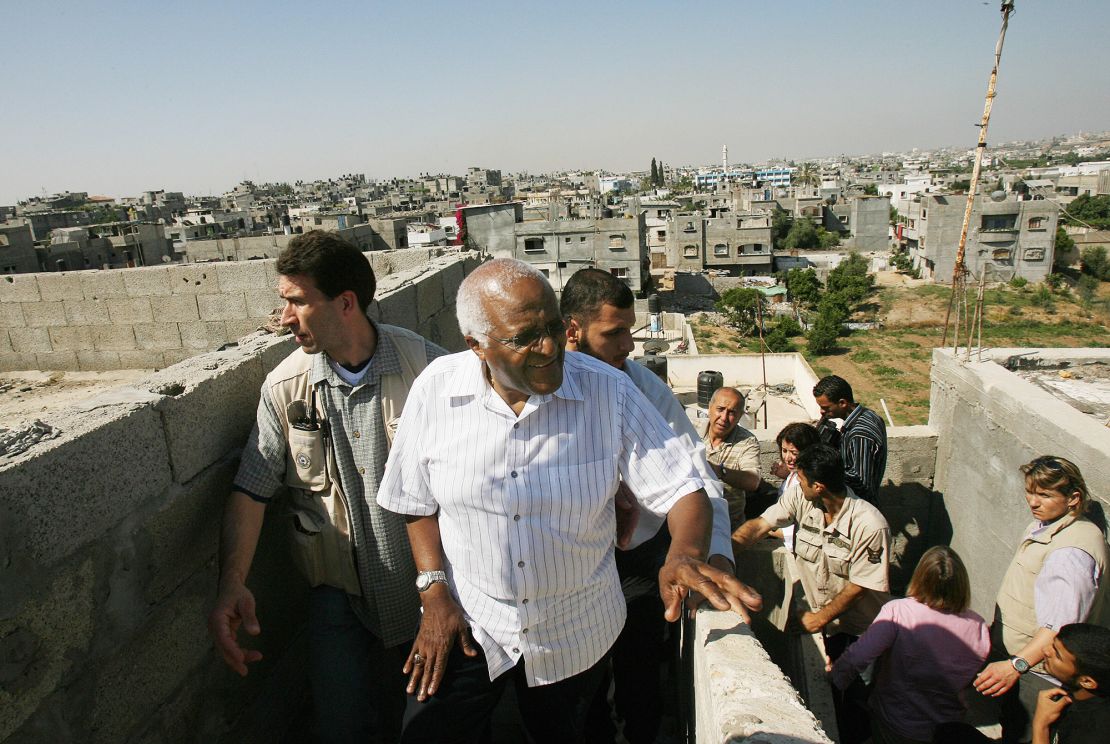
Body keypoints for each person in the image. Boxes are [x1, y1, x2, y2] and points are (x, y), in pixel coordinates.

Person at [376, 258, 762, 744]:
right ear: (476, 345)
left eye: (554, 328)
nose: (549, 348)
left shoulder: (610, 392)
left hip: (574, 633)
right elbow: (415, 497)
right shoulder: (436, 389)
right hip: (471, 622)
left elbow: (685, 487)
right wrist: (433, 592)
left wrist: (683, 555)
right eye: (524, 337)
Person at [206, 231, 446, 743]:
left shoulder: (425, 369)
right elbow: (252, 490)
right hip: (339, 599)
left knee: (429, 723)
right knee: (343, 724)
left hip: (426, 592)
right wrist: (232, 582)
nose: (284, 318)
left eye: (297, 302)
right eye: (283, 302)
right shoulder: (285, 389)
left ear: (345, 303)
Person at [561, 267, 733, 744]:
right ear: (572, 331)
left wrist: (710, 553)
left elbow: (696, 478)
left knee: (638, 676)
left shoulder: (645, 390)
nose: (629, 346)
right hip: (574, 568)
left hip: (638, 565)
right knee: (581, 683)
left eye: (630, 331)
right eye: (614, 333)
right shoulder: (543, 391)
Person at [733, 443, 891, 744]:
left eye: (802, 479)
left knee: (858, 700)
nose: (797, 483)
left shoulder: (869, 525)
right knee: (829, 691)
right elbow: (760, 525)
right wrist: (725, 557)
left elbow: (859, 587)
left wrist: (818, 620)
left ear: (818, 486)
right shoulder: (803, 499)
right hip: (823, 621)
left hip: (859, 629)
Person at [973, 456, 1109, 744]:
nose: (1033, 502)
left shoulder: (1069, 556)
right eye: (1030, 492)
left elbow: (1059, 630)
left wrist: (1016, 666)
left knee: (1023, 731)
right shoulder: (1052, 525)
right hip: (1028, 664)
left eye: (1044, 495)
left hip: (1037, 674)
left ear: (1073, 498)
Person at [831, 546, 991, 744]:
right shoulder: (979, 626)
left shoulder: (898, 612)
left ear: (920, 577)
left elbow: (858, 657)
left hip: (896, 723)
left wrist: (834, 679)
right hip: (947, 728)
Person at [812, 375, 887, 504]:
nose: (821, 412)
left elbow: (861, 483)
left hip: (857, 508)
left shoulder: (859, 435)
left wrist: (823, 470)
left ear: (842, 403)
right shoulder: (869, 414)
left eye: (826, 408)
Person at [1032, 623, 1110, 744]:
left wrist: (1040, 726)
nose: (1045, 650)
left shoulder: (1097, 731)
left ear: (1087, 682)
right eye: (1053, 644)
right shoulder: (1071, 692)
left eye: (1057, 655)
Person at [697, 386, 761, 532]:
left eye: (732, 412)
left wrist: (719, 471)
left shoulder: (747, 442)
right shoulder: (690, 430)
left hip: (727, 527)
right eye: (720, 409)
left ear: (739, 416)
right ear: (709, 407)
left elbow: (753, 482)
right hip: (691, 523)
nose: (724, 418)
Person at [766, 422, 822, 552]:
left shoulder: (808, 487)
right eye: (784, 451)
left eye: (794, 453)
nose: (787, 458)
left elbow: (795, 530)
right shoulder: (794, 474)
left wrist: (768, 530)